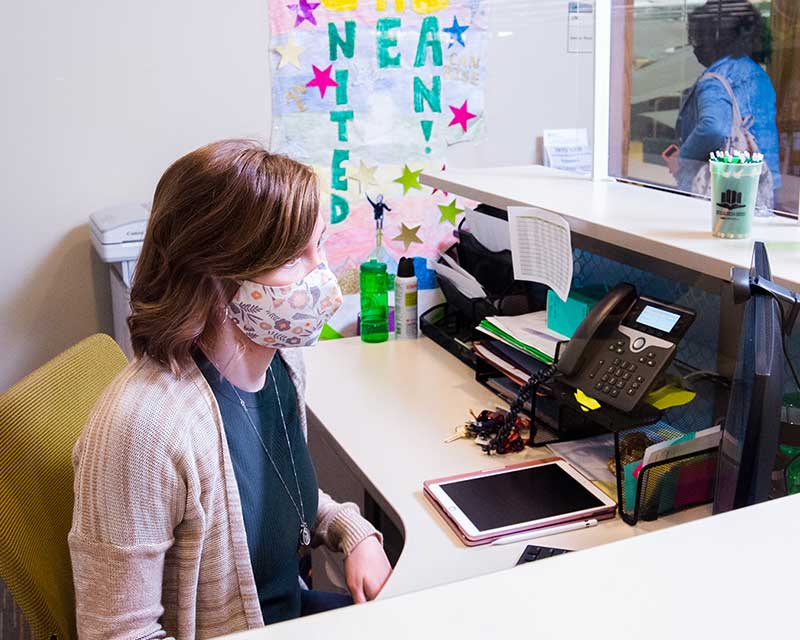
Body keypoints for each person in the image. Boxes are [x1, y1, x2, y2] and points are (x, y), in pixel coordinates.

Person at [68, 140, 392, 639]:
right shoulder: (142, 430)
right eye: (293, 259)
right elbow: (116, 634)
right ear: (216, 279)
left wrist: (352, 531)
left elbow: (275, 499)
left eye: (319, 245)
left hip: (288, 612)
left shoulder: (282, 362)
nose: (322, 276)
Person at [670, 0, 781, 200]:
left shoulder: (715, 80)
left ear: (714, 38)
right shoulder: (759, 75)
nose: (695, 46)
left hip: (726, 189)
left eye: (697, 38)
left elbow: (713, 128)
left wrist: (683, 159)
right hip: (763, 185)